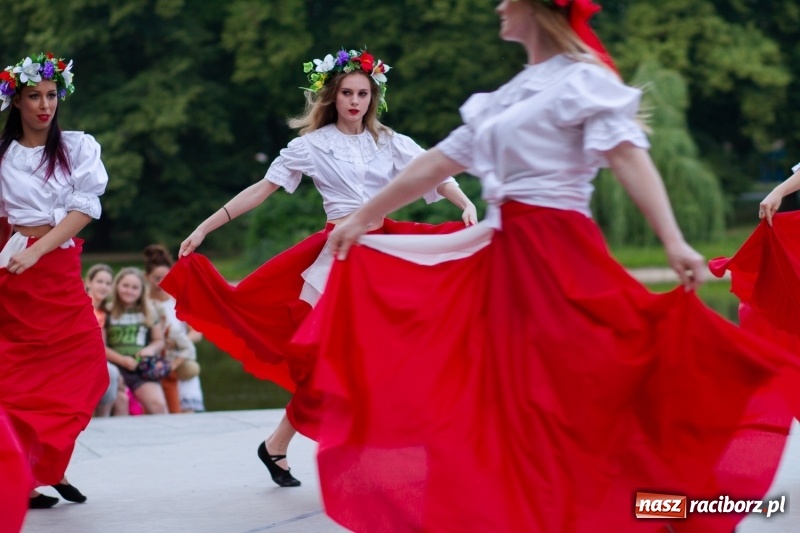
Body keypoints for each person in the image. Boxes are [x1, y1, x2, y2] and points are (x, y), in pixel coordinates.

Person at [298, 2, 800, 531]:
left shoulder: (581, 80)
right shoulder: (508, 95)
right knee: (511, 404)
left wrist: (672, 240)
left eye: (509, 0)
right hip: (503, 261)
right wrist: (364, 218)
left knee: (590, 390)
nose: (498, 6)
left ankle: (662, 503)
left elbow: (628, 155)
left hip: (559, 256)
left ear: (537, 10)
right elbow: (439, 161)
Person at [161, 47, 477, 487]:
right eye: (347, 92)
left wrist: (463, 202)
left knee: (391, 354)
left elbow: (431, 172)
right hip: (341, 258)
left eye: (363, 93)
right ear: (332, 96)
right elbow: (259, 191)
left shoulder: (389, 141)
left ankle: (283, 446)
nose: (355, 101)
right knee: (337, 364)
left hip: (384, 253)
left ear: (373, 97)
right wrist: (204, 227)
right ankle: (324, 450)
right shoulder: (310, 146)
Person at [0, 51, 109, 518]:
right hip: (14, 276)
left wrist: (39, 251)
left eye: (50, 95)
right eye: (33, 96)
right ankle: (24, 471)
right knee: (18, 384)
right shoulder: (3, 157)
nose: (45, 105)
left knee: (90, 371)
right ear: (16, 101)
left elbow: (83, 209)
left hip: (54, 269)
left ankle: (47, 461)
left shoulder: (78, 147)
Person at [143, 244, 205, 413]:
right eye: (156, 278)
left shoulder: (179, 300)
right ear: (147, 277)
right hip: (153, 363)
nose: (161, 282)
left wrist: (179, 343)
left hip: (180, 359)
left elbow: (197, 332)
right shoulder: (142, 303)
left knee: (187, 411)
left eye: (165, 277)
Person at [104, 267, 168, 415]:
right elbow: (101, 346)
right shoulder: (107, 311)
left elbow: (159, 340)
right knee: (121, 403)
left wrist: (150, 349)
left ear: (141, 290)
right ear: (117, 286)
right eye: (125, 286)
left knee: (158, 406)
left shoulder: (149, 311)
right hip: (115, 368)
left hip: (141, 368)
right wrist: (122, 360)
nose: (129, 291)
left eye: (134, 287)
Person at [86, 263, 130, 417]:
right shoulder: (81, 305)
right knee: (111, 372)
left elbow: (101, 347)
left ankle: (104, 421)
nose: (103, 287)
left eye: (108, 283)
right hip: (78, 359)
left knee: (121, 397)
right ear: (88, 282)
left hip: (95, 360)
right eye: (99, 282)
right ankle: (99, 418)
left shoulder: (102, 313)